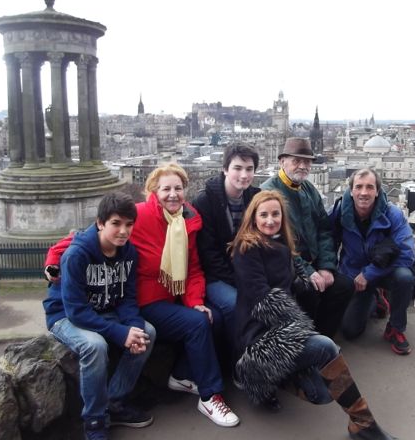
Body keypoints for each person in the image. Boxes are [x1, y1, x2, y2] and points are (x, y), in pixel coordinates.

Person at [231, 190, 396, 440]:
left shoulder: (281, 245)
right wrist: (301, 329)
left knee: (324, 393)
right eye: (263, 215)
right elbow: (263, 299)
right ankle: (363, 425)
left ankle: (274, 378)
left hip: (281, 330)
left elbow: (290, 285)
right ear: (253, 218)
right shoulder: (247, 249)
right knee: (326, 347)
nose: (270, 220)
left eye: (275, 214)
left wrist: (306, 283)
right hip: (258, 338)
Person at [130, 163, 240, 428]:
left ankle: (181, 375)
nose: (173, 194)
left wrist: (196, 302)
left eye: (178, 188)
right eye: (165, 189)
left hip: (174, 296)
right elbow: (95, 234)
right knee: (197, 323)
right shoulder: (138, 215)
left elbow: (193, 268)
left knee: (214, 317)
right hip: (145, 301)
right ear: (153, 191)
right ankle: (210, 396)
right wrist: (54, 263)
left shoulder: (187, 219)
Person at [43, 192, 156, 440]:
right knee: (95, 346)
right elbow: (76, 311)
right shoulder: (77, 255)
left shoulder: (129, 253)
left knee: (146, 333)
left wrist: (133, 328)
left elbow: (127, 299)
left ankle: (114, 402)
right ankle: (94, 421)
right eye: (116, 223)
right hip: (65, 315)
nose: (123, 231)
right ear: (100, 223)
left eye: (129, 224)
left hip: (103, 310)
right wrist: (120, 333)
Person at [261, 137, 354, 337]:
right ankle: (306, 342)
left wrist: (326, 267)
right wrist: (309, 271)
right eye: (296, 161)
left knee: (344, 286)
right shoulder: (269, 192)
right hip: (286, 267)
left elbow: (324, 229)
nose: (303, 166)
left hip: (314, 262)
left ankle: (323, 338)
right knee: (308, 291)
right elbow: (278, 244)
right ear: (282, 161)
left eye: (307, 161)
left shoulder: (309, 189)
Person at [331, 167, 415, 355]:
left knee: (404, 277)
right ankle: (376, 299)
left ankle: (395, 328)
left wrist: (369, 274)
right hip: (354, 274)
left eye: (369, 187)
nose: (364, 192)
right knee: (350, 330)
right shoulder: (339, 212)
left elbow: (407, 253)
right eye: (358, 187)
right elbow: (327, 240)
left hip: (384, 271)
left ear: (377, 191)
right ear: (351, 190)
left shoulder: (392, 214)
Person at [192, 142, 261, 345]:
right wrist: (239, 281)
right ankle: (237, 358)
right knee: (235, 305)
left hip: (245, 272)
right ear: (225, 169)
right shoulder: (205, 201)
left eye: (249, 169)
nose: (244, 175)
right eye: (237, 168)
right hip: (215, 276)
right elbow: (208, 254)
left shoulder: (256, 198)